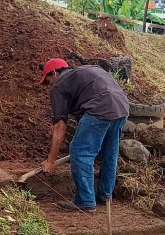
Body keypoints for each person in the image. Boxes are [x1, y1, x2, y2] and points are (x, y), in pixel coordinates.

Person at [39, 58, 129, 212]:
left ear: (54, 73)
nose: (49, 86)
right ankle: (105, 196)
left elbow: (60, 127)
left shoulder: (59, 84)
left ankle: (85, 200)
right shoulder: (85, 72)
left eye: (48, 81)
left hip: (100, 108)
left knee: (79, 150)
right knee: (110, 154)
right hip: (122, 108)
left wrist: (50, 161)